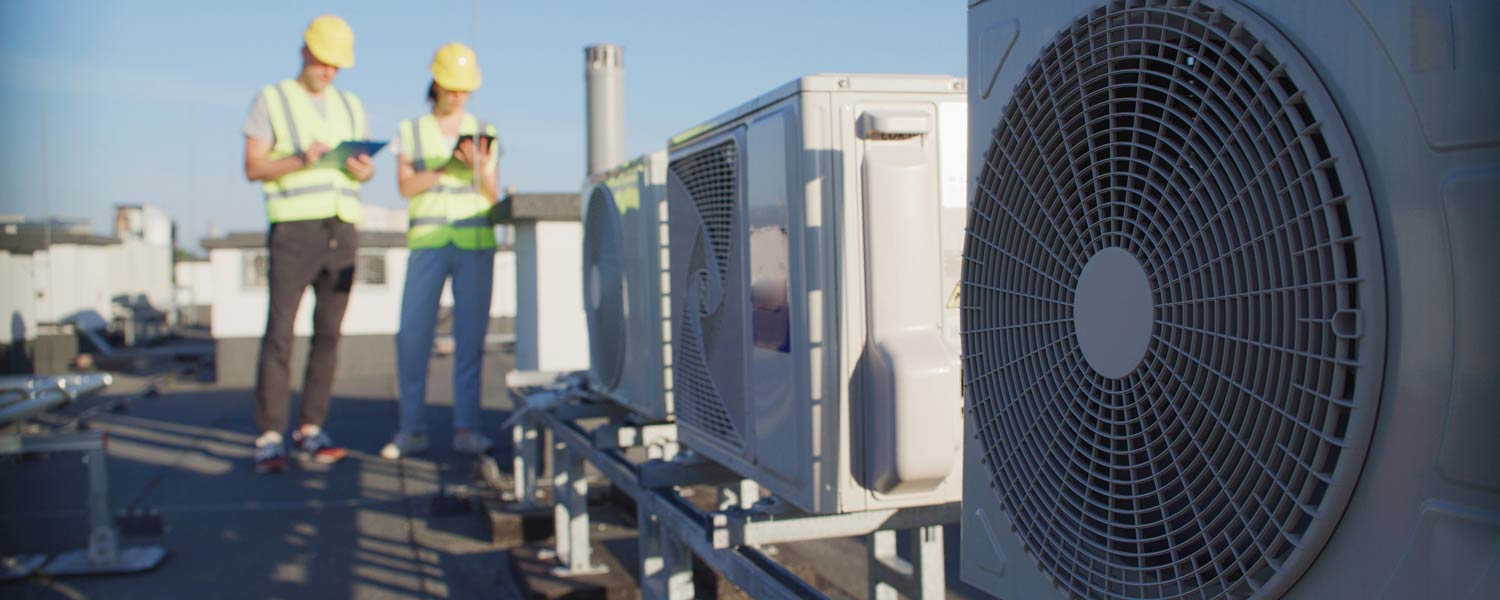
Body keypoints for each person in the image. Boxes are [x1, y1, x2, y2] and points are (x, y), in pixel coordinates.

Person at [242, 15, 375, 473]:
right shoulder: (272, 99)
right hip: (294, 231)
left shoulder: (351, 105)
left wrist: (364, 170)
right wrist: (301, 159)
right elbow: (254, 167)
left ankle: (311, 428)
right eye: (323, 62)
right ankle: (269, 434)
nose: (329, 72)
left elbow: (361, 167)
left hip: (342, 229)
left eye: (336, 66)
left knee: (329, 334)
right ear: (304, 52)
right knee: (280, 332)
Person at [381, 42, 500, 459]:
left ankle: (466, 428)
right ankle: (410, 430)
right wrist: (444, 170)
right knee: (413, 338)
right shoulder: (411, 131)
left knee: (470, 341)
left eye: (465, 89)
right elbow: (405, 187)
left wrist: (480, 170)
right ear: (436, 82)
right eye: (452, 87)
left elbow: (492, 194)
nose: (458, 95)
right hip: (429, 243)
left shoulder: (485, 131)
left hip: (475, 243)